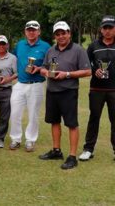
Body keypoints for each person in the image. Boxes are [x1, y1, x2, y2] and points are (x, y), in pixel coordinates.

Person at [39, 21, 91, 170]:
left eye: (63, 33)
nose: (61, 36)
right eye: (58, 34)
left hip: (68, 91)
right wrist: (44, 72)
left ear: (69, 33)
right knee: (54, 121)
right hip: (52, 91)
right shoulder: (51, 50)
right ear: (55, 36)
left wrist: (67, 74)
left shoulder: (78, 50)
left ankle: (73, 156)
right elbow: (44, 67)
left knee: (72, 124)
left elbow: (87, 71)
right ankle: (56, 151)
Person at [9, 21, 50, 152]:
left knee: (33, 114)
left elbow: (50, 65)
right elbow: (12, 58)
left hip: (36, 84)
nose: (31, 32)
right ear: (25, 31)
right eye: (29, 30)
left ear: (39, 31)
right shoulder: (20, 44)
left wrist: (39, 68)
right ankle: (15, 139)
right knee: (15, 113)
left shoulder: (45, 46)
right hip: (20, 84)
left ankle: (30, 140)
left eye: (34, 30)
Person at [79, 15, 115, 161]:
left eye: (110, 28)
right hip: (96, 89)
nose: (107, 31)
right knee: (94, 118)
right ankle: (88, 149)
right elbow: (87, 64)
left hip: (114, 90)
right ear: (101, 29)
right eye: (105, 28)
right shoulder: (93, 46)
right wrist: (95, 70)